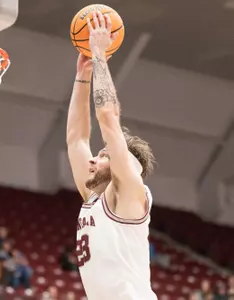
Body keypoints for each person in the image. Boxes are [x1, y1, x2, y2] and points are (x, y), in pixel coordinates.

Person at [67, 11, 156, 300]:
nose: (93, 159)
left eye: (103, 155)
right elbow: (76, 139)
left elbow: (107, 116)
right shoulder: (94, 196)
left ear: (125, 164)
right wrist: (83, 77)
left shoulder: (130, 194)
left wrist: (99, 54)